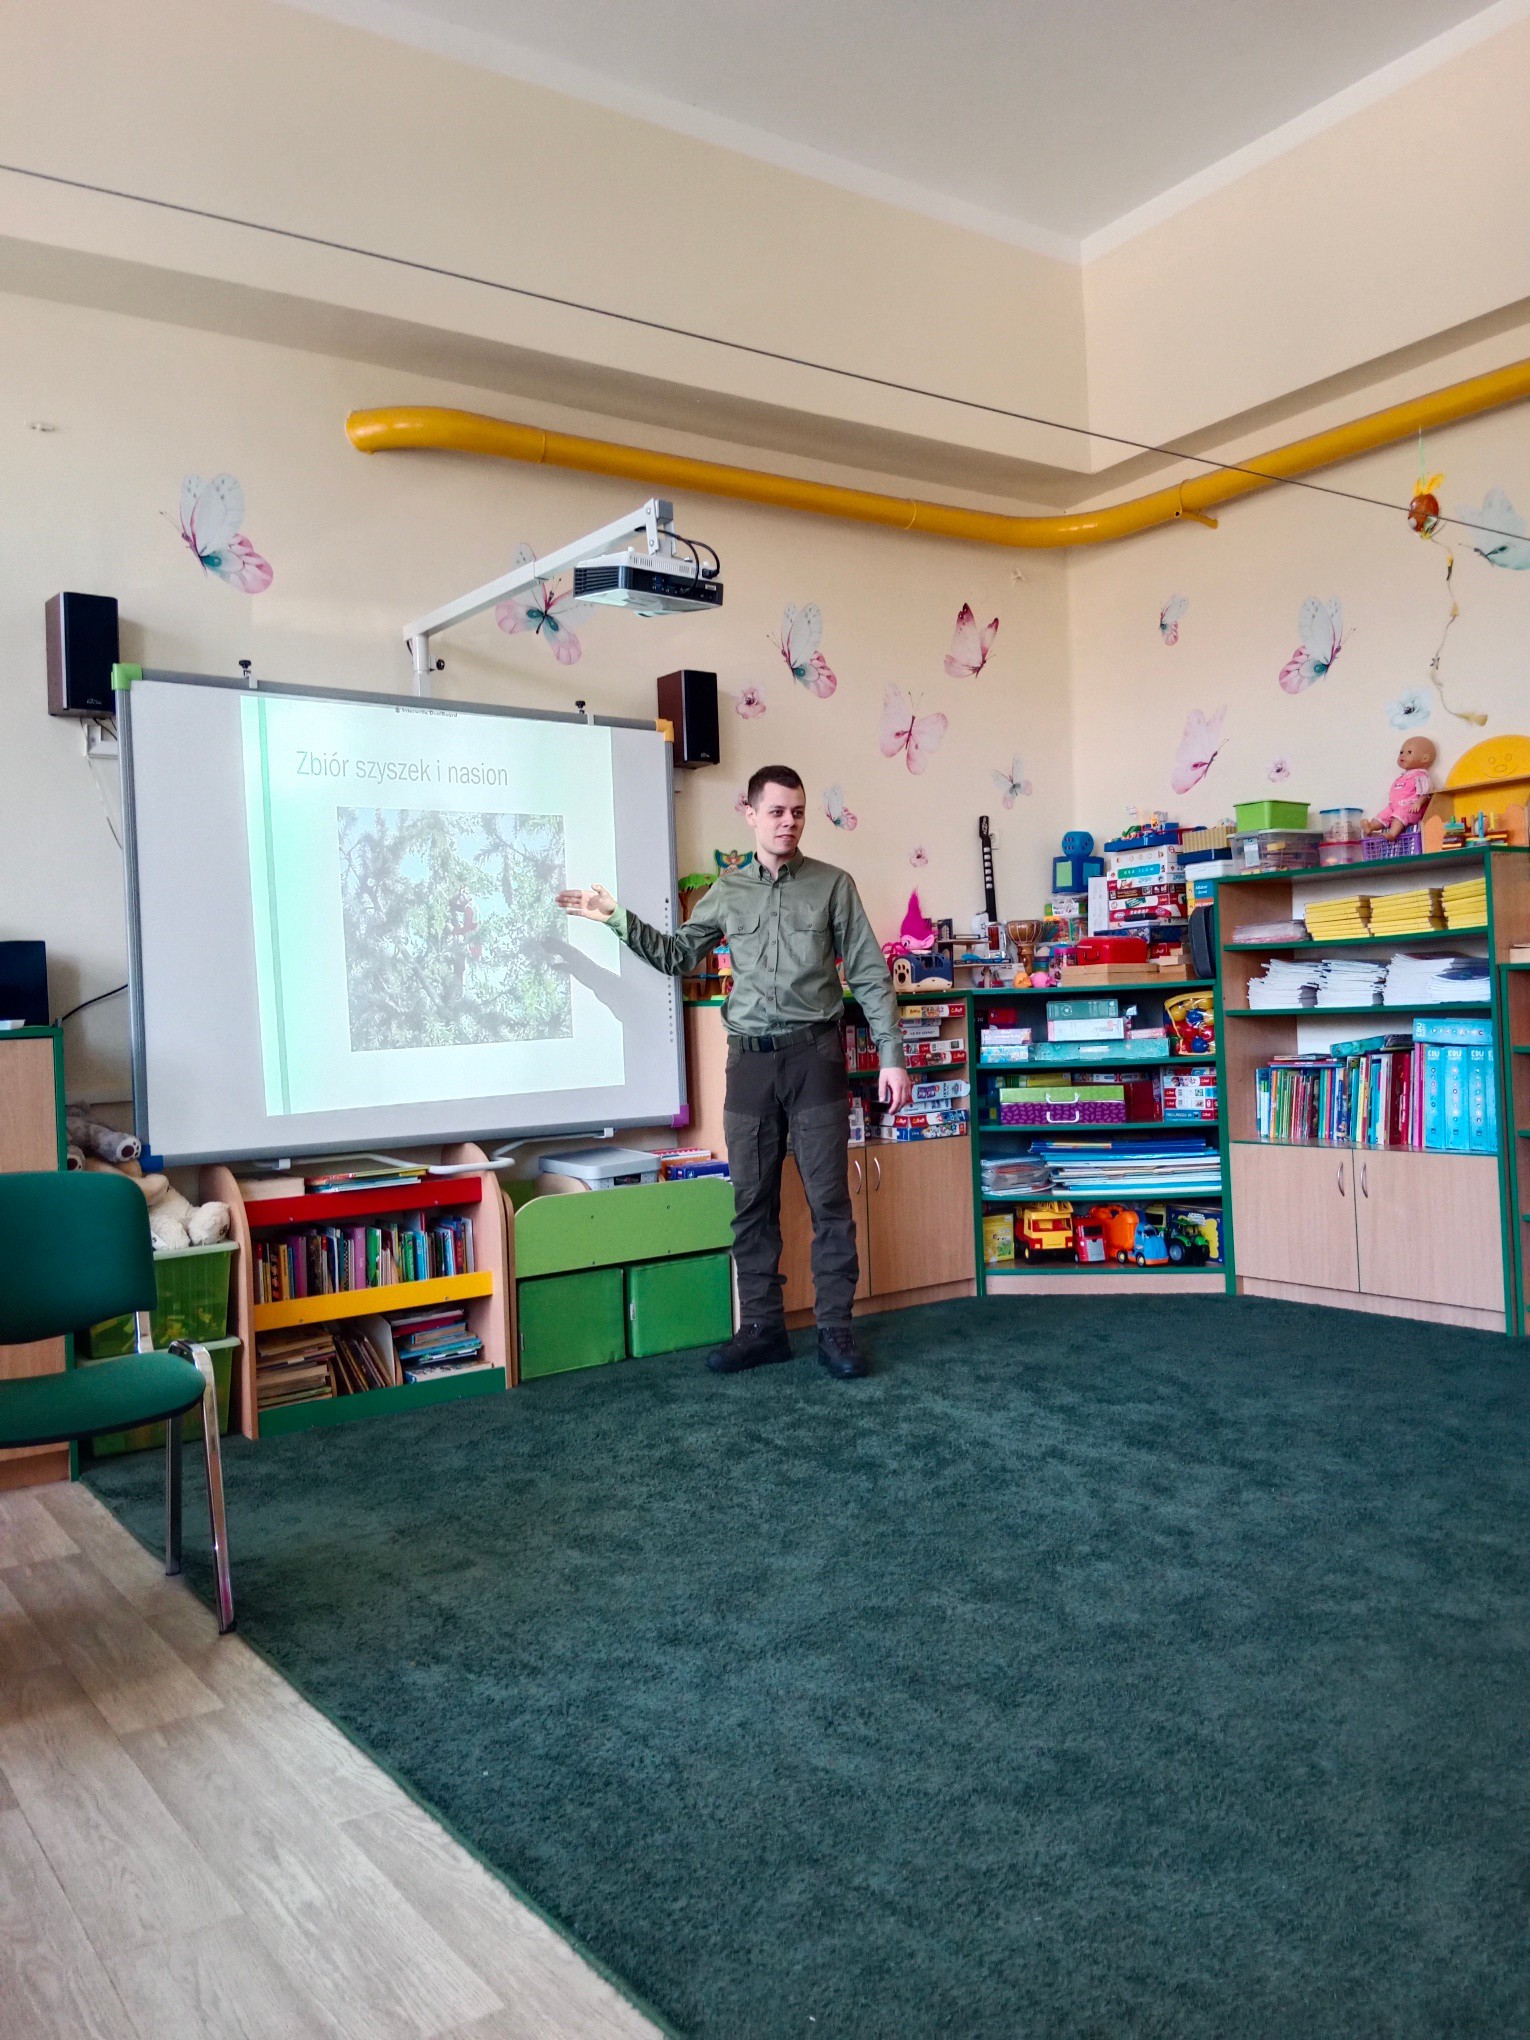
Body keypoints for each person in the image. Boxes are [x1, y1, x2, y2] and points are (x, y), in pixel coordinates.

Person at [558, 765, 911, 1379]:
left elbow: (870, 974)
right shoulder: (726, 891)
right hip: (748, 1063)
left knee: (829, 1201)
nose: (789, 822)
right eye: (776, 811)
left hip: (815, 1057)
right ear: (749, 814)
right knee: (751, 1202)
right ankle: (763, 1330)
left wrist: (892, 1056)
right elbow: (676, 955)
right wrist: (615, 916)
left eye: (797, 812)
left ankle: (835, 1332)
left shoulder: (833, 885)